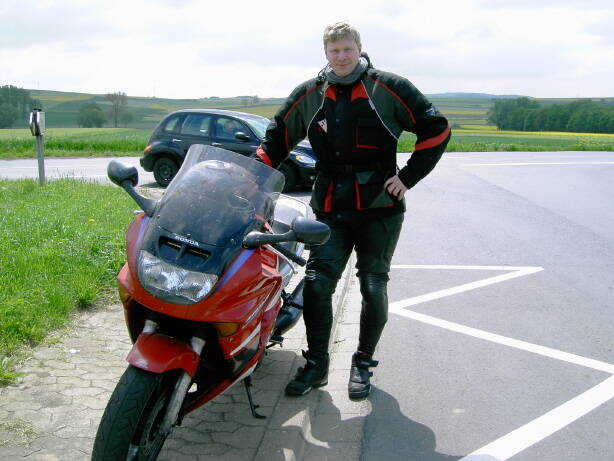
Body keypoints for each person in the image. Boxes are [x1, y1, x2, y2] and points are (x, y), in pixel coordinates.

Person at [255, 22, 451, 399]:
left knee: (373, 286)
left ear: (359, 48)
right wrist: (251, 180)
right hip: (330, 204)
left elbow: (437, 128)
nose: (342, 57)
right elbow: (276, 138)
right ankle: (316, 365)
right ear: (325, 53)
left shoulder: (387, 87)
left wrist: (408, 176)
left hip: (380, 207)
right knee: (317, 283)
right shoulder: (310, 94)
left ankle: (362, 364)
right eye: (335, 51)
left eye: (347, 49)